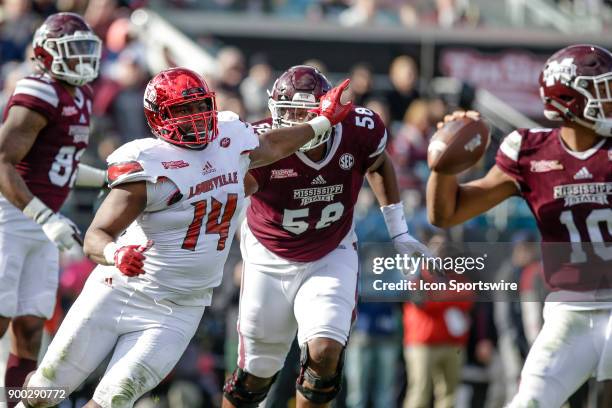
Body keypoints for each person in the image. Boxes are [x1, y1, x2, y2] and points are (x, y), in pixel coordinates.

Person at [17, 66, 351, 408]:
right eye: (181, 110)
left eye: (198, 106)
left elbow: (275, 143)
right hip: (121, 293)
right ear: (158, 117)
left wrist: (323, 121)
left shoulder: (231, 139)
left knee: (115, 399)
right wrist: (117, 253)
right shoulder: (149, 163)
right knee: (44, 393)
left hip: (181, 308)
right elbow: (96, 236)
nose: (194, 118)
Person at [221, 65, 431, 408]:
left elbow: (378, 163)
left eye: (300, 113)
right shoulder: (260, 140)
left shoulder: (358, 129)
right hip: (269, 256)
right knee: (254, 377)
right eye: (285, 111)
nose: (290, 121)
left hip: (329, 252)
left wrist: (399, 229)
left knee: (325, 353)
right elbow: (230, 188)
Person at [426, 44, 612, 408]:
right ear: (569, 100)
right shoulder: (529, 152)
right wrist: (444, 166)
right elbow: (446, 214)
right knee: (528, 400)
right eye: (603, 91)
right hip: (567, 311)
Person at [0, 12, 105, 398]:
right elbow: (2, 162)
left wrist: (107, 177)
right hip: (11, 215)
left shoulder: (82, 94)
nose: (81, 59)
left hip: (43, 222)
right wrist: (44, 216)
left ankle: (11, 403)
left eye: (85, 50)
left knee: (30, 326)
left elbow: (61, 165)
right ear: (45, 54)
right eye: (72, 51)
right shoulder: (39, 90)